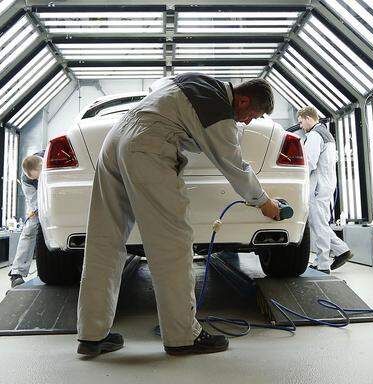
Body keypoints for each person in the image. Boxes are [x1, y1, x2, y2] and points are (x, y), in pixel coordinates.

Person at [76, 74, 281, 357]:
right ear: (242, 99)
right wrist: (263, 202)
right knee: (172, 244)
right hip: (147, 148)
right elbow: (234, 166)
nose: (246, 122)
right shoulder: (218, 110)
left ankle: (92, 333)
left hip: (114, 141)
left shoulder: (191, 80)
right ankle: (183, 336)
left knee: (104, 239)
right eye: (251, 115)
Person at [297, 107, 353, 274]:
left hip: (317, 186)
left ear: (308, 118)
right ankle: (342, 250)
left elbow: (310, 163)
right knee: (319, 221)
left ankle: (322, 263)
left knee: (318, 223)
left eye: (301, 122)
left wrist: (298, 178)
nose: (300, 126)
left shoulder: (314, 135)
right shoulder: (326, 134)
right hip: (326, 183)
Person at [8, 152, 44, 288]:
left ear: (42, 167)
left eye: (37, 177)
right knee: (30, 228)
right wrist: (36, 213)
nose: (36, 180)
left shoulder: (52, 158)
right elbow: (34, 202)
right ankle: (17, 273)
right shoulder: (27, 179)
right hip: (39, 201)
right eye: (34, 178)